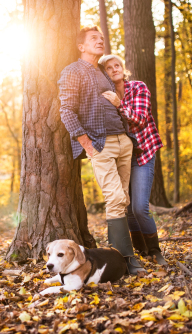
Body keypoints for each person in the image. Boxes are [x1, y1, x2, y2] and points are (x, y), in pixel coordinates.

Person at [58, 26, 145, 275]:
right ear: (81, 46)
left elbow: (117, 105)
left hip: (123, 142)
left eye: (102, 38)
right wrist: (86, 144)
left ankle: (120, 257)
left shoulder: (102, 73)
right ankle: (126, 259)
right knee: (115, 198)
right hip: (100, 144)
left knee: (124, 200)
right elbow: (66, 110)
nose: (100, 41)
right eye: (94, 39)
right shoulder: (72, 71)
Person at [99, 54, 167, 265]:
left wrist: (119, 105)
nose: (115, 69)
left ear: (123, 68)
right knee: (126, 207)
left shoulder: (138, 87)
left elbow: (140, 119)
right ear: (105, 74)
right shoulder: (103, 95)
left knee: (139, 208)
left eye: (117, 65)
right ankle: (141, 249)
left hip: (144, 152)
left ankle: (155, 251)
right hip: (122, 155)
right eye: (109, 68)